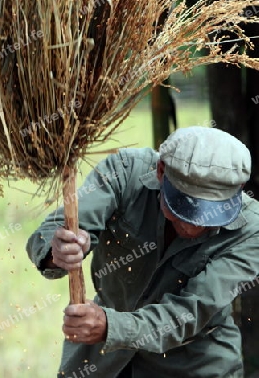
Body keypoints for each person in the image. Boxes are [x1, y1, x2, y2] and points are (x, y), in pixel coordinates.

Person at [26, 126, 259, 378]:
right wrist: (59, 250)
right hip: (101, 360)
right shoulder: (125, 173)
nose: (193, 227)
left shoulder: (252, 230)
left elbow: (189, 312)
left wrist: (110, 326)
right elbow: (50, 231)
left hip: (194, 365)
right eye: (182, 208)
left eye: (211, 214)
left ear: (238, 189)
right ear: (161, 171)